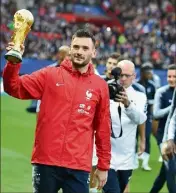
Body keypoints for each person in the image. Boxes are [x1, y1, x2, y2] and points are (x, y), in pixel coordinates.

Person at [3, 29, 111, 193]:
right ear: (70, 49)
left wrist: (103, 165)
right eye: (76, 47)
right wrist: (13, 61)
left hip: (78, 165)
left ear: (93, 52)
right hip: (46, 162)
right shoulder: (49, 75)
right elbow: (13, 87)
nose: (79, 52)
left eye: (84, 48)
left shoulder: (100, 85)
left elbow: (103, 127)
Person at [102, 60, 147, 193]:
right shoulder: (105, 89)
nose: (123, 79)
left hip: (126, 156)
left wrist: (127, 104)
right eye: (121, 75)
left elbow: (140, 119)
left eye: (127, 75)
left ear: (134, 76)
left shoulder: (139, 96)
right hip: (105, 154)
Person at [150, 65, 176, 193]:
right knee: (171, 169)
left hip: (174, 136)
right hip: (163, 137)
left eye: (174, 76)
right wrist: (173, 107)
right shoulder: (161, 92)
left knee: (164, 172)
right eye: (169, 76)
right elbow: (156, 114)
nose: (171, 79)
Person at [36, 45, 70, 117]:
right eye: (68, 55)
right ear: (60, 55)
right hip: (49, 109)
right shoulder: (49, 70)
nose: (70, 57)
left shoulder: (72, 72)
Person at [138, 63, 157, 170]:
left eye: (150, 72)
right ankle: (134, 158)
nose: (150, 74)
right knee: (134, 137)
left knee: (147, 137)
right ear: (143, 73)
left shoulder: (152, 85)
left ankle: (145, 162)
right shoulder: (137, 84)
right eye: (148, 72)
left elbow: (154, 102)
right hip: (137, 116)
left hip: (147, 116)